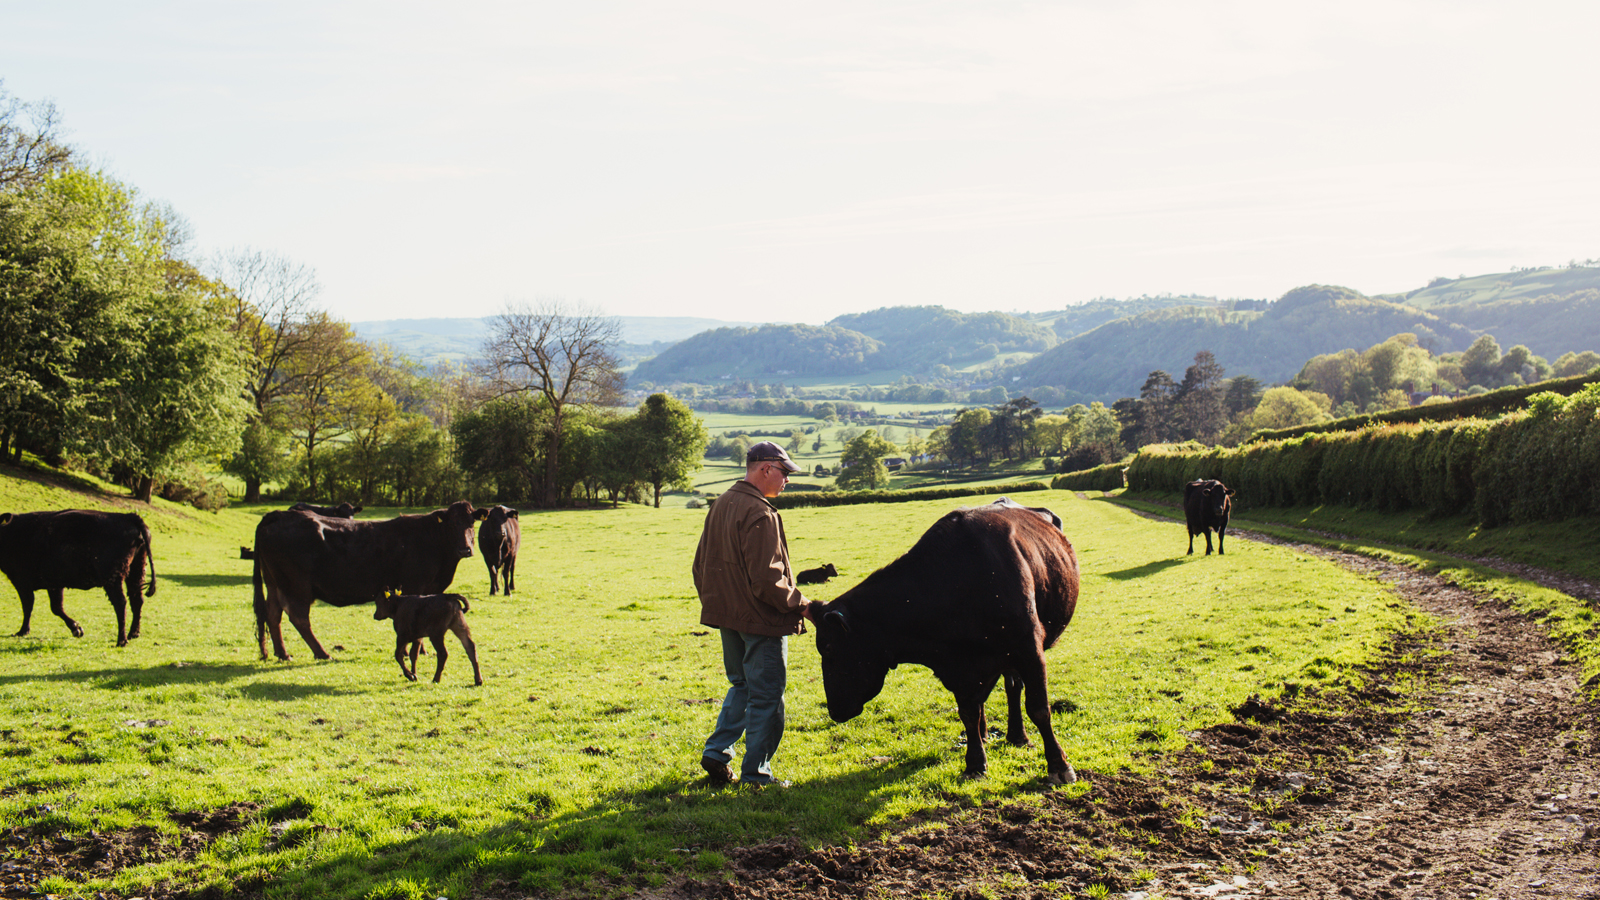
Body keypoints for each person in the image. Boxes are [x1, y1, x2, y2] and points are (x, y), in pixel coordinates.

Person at [693, 440, 813, 788]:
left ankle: (716, 752)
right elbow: (767, 580)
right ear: (766, 468)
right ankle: (757, 775)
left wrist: (720, 605)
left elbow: (699, 566)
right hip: (761, 620)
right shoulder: (760, 513)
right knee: (767, 696)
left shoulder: (722, 504)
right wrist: (801, 605)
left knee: (742, 685)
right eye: (785, 472)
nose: (787, 480)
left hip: (728, 616)